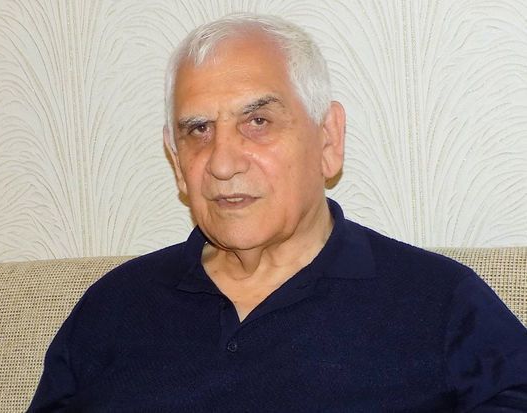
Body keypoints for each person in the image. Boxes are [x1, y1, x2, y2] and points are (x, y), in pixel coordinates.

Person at [28, 13, 527, 412]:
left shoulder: (440, 303)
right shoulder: (112, 308)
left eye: (258, 121)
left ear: (327, 139)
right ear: (177, 164)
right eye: (198, 130)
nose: (222, 162)